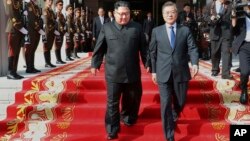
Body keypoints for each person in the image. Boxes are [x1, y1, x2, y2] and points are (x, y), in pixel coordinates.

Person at [91, 1, 148, 140]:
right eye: (121, 14)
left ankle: (128, 117)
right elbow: (99, 48)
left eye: (126, 14)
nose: (123, 17)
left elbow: (144, 49)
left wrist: (148, 64)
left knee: (132, 98)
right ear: (114, 13)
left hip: (132, 72)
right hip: (113, 72)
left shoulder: (137, 28)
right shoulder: (107, 27)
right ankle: (112, 129)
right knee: (112, 102)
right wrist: (95, 64)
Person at [149, 1, 199, 141]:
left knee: (181, 101)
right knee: (165, 104)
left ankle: (175, 113)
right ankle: (169, 137)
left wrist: (194, 63)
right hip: (163, 72)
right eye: (167, 12)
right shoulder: (156, 31)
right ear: (163, 15)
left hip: (181, 71)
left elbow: (193, 48)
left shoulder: (185, 30)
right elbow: (152, 53)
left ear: (177, 14)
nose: (170, 14)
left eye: (172, 12)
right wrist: (154, 71)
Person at [204, 0, 233, 79]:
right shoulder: (210, 4)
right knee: (214, 52)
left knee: (226, 53)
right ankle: (215, 69)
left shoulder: (230, 4)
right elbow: (205, 16)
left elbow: (233, 16)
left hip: (226, 32)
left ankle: (226, 73)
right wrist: (211, 18)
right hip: (215, 32)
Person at [231, 3, 250, 104]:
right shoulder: (241, 16)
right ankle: (243, 90)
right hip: (245, 47)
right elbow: (234, 30)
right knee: (245, 71)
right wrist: (234, 18)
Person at [5, 0, 28, 79]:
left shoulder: (19, 1)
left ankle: (14, 71)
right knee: (12, 51)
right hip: (13, 28)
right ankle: (10, 72)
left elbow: (20, 13)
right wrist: (19, 27)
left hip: (19, 29)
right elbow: (11, 14)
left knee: (17, 51)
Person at [24, 0, 45, 73]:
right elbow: (31, 18)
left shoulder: (37, 6)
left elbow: (38, 17)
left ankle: (32, 66)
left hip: (36, 31)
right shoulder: (29, 5)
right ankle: (29, 68)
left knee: (33, 49)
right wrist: (38, 28)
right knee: (29, 49)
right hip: (31, 30)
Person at [42, 0, 58, 68]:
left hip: (51, 31)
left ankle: (49, 62)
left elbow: (54, 19)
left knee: (49, 47)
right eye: (49, 0)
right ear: (45, 1)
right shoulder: (45, 10)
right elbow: (46, 22)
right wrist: (53, 28)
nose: (50, 2)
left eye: (51, 1)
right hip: (47, 31)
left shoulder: (51, 10)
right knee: (46, 47)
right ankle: (47, 62)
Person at [54, 0, 66, 64]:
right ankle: (57, 59)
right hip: (57, 32)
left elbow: (64, 24)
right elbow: (54, 23)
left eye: (62, 5)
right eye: (60, 5)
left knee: (60, 46)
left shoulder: (62, 15)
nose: (61, 6)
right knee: (57, 46)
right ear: (56, 6)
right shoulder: (55, 14)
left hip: (61, 33)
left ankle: (59, 59)